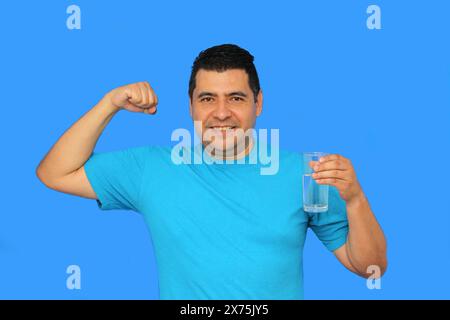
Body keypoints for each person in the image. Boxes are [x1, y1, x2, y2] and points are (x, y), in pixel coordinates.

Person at [36, 44, 387, 299]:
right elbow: (55, 173)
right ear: (190, 105)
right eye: (207, 99)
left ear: (258, 103)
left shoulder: (305, 173)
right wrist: (108, 104)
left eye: (235, 98)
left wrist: (355, 199)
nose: (221, 113)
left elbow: (369, 267)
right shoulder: (150, 168)